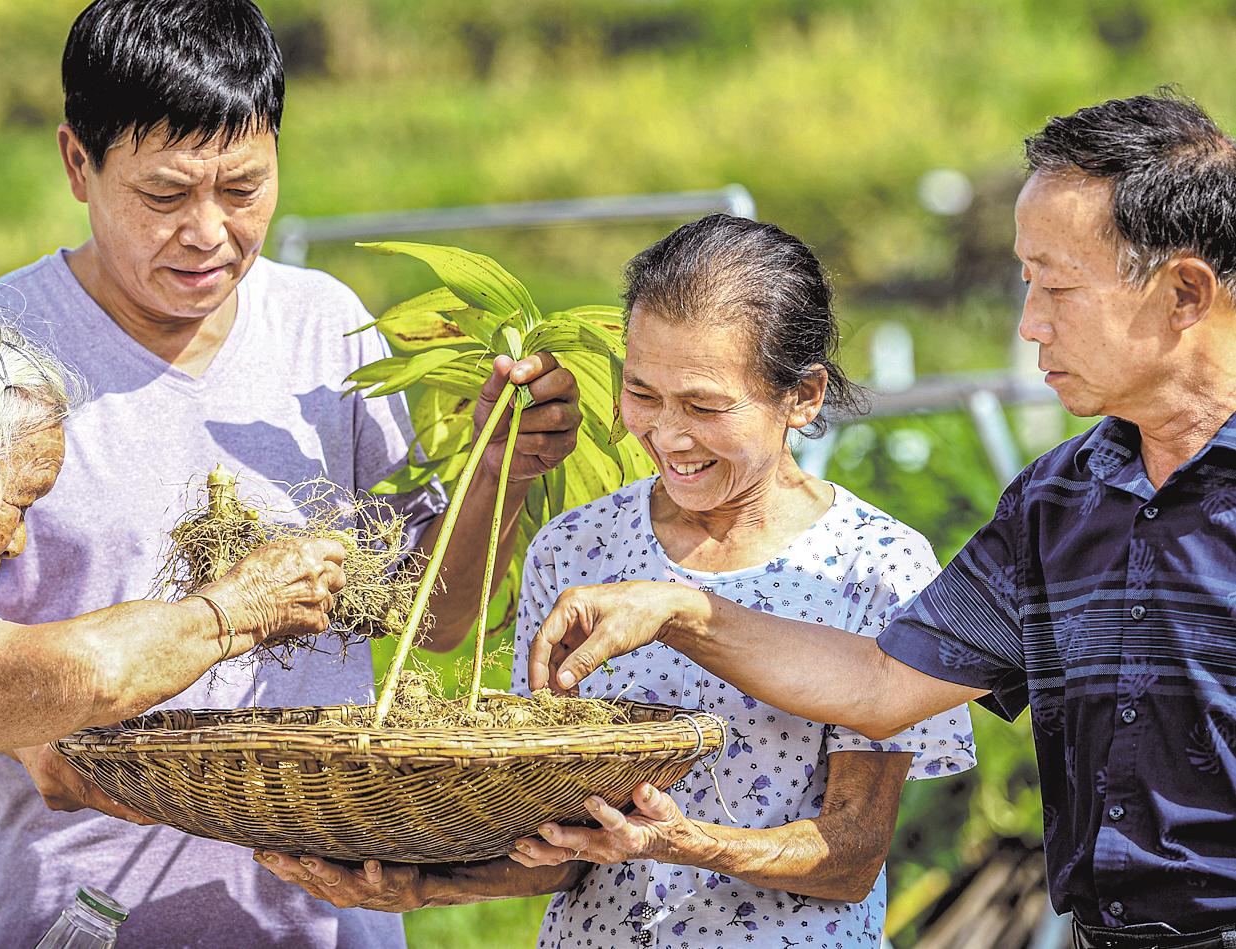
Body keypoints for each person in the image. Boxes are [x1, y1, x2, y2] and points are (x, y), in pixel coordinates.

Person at [527, 93, 1236, 947]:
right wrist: (679, 610)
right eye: (1025, 283)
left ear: (1184, 292)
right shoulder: (1058, 500)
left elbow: (852, 834)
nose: (1029, 323)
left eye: (1056, 287)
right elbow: (880, 684)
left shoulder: (884, 547)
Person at [0, 1, 583, 946]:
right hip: (89, 919)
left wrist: (497, 473)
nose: (209, 233)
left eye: (244, 189)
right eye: (166, 196)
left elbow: (432, 612)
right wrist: (64, 733)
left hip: (329, 920)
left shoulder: (322, 328)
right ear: (77, 163)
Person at [257, 215, 976, 949]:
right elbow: (553, 848)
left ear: (803, 396)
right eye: (642, 392)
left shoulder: (871, 565)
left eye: (703, 405)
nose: (666, 433)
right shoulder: (577, 548)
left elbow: (849, 856)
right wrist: (425, 881)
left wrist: (678, 841)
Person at [0, 293, 345, 947]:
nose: (14, 545)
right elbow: (91, 672)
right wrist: (240, 605)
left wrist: (26, 729)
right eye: (20, 502)